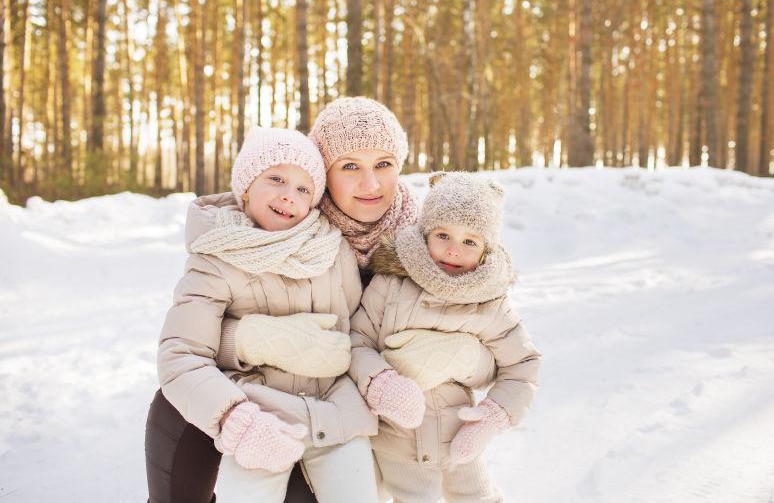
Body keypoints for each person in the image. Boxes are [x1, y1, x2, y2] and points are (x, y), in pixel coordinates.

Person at [145, 97, 494, 502]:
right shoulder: (288, 231)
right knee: (175, 407)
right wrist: (244, 339)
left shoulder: (435, 243)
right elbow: (184, 348)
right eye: (350, 166)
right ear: (325, 174)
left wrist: (468, 358)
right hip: (272, 407)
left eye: (383, 164)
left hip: (377, 429)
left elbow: (501, 336)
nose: (371, 184)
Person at [157, 126, 378, 502]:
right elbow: (181, 355)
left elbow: (359, 331)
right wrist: (234, 418)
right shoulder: (215, 258)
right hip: (260, 417)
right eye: (275, 178)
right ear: (246, 186)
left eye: (304, 188)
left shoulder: (331, 250)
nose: (288, 195)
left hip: (335, 415)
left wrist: (378, 379)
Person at [347, 172, 543, 503]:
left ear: (485, 251)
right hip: (396, 440)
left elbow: (523, 364)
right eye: (443, 235)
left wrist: (495, 416)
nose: (454, 250)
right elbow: (356, 342)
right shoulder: (392, 284)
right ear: (424, 235)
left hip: (459, 435)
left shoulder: (489, 301)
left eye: (470, 241)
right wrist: (379, 382)